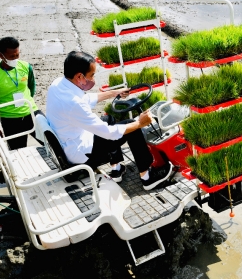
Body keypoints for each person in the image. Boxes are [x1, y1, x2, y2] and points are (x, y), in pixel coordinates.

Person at [47, 51, 173, 190]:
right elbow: (108, 133)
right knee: (131, 128)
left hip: (70, 142)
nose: (93, 79)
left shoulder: (58, 84)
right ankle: (147, 177)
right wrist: (139, 123)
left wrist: (114, 93)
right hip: (82, 154)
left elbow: (86, 99)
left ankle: (116, 168)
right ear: (79, 76)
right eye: (92, 75)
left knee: (109, 119)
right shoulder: (74, 104)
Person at [0, 36, 41, 150]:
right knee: (18, 152)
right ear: (1, 56)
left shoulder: (26, 67)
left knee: (52, 142)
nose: (15, 59)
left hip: (31, 112)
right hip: (10, 120)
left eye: (17, 55)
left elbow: (31, 88)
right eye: (11, 56)